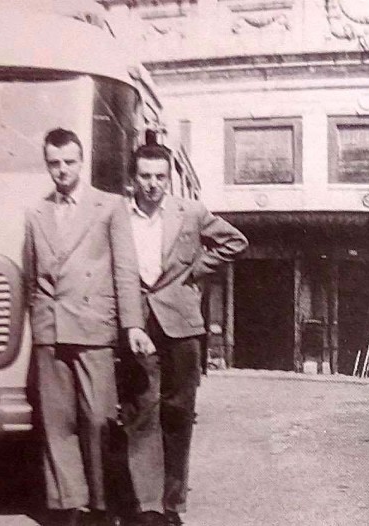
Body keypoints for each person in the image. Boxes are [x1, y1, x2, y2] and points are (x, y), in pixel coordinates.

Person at [23, 128, 154, 526]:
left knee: (98, 418)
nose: (61, 170)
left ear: (82, 162)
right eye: (54, 163)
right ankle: (70, 506)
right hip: (51, 329)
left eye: (69, 162)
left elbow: (126, 269)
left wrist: (131, 324)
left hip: (94, 327)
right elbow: (30, 275)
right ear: (47, 164)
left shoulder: (109, 206)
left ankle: (100, 504)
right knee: (57, 423)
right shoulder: (36, 213)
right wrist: (39, 319)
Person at [119, 144, 248, 526]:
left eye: (160, 176)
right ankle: (147, 507)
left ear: (168, 177)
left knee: (178, 414)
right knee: (141, 412)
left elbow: (234, 242)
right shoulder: (119, 216)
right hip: (138, 325)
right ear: (133, 178)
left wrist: (196, 269)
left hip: (182, 326)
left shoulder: (190, 211)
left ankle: (172, 504)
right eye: (145, 176)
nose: (153, 184)